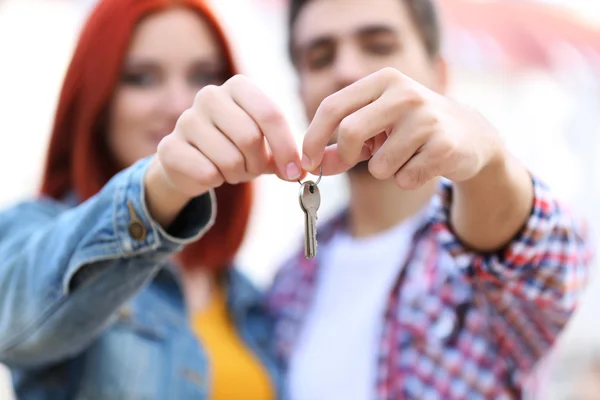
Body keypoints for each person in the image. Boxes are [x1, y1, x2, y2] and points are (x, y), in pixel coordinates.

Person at [263, 0, 594, 399]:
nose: (346, 70)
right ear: (301, 93)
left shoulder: (486, 256)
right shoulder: (287, 283)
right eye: (319, 57)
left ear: (439, 75)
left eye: (379, 45)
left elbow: (548, 260)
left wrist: (487, 158)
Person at [0, 0, 303, 398]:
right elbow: (13, 322)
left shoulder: (246, 295)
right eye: (142, 78)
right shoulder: (32, 233)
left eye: (202, 76)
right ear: (97, 97)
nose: (179, 104)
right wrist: (161, 185)